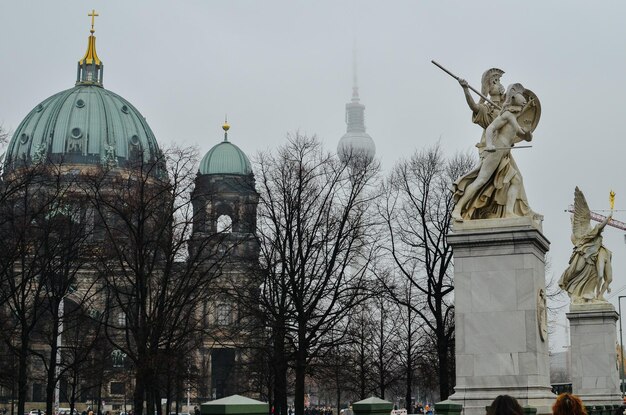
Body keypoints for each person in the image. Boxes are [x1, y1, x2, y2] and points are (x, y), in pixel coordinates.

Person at [452, 83, 535, 221]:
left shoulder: (513, 116)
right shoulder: (507, 115)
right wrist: (489, 144)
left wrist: (528, 132)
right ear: (514, 99)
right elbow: (490, 128)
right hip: (496, 150)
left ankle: (509, 212)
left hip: (505, 153)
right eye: (522, 100)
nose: (524, 102)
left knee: (517, 180)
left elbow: (524, 136)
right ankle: (457, 209)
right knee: (481, 181)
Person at [559, 187, 613, 303]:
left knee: (592, 275)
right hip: (584, 252)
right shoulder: (590, 230)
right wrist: (607, 219)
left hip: (592, 256)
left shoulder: (599, 240)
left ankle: (587, 294)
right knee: (576, 270)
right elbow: (599, 227)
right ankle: (566, 280)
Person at [458, 68, 505, 158]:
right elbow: (474, 106)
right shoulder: (486, 109)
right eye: (495, 81)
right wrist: (465, 89)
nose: (498, 83)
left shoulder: (505, 111)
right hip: (491, 151)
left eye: (498, 81)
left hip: (503, 151)